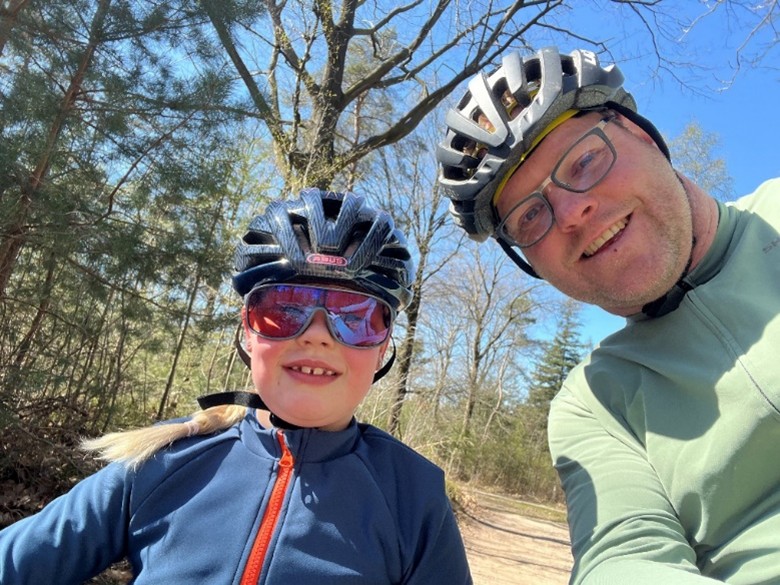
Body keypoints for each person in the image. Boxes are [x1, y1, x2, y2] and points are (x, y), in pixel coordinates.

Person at [0, 189, 473, 584]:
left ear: (383, 346)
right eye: (284, 309)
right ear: (247, 331)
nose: (318, 335)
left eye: (355, 317)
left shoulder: (413, 497)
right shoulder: (162, 458)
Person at [436, 46, 780, 584]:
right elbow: (622, 558)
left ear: (641, 135)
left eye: (584, 161)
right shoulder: (594, 404)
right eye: (530, 216)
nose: (572, 213)